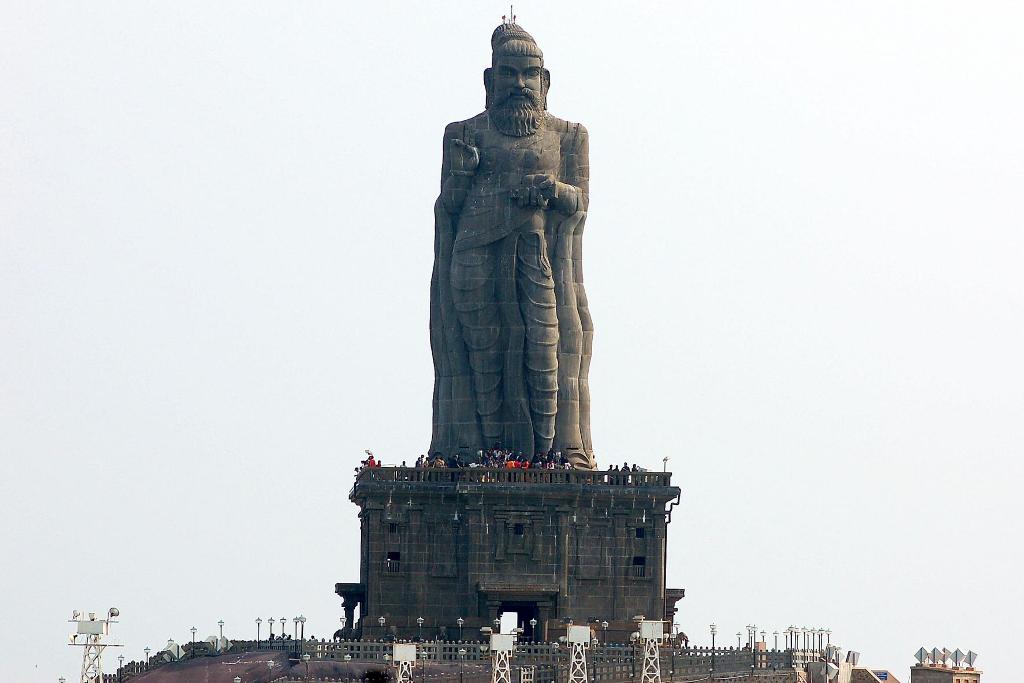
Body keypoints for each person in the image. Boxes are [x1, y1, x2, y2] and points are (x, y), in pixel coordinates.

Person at [429, 20, 596, 468]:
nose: (518, 84)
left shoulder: (568, 135)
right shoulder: (464, 133)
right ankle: (474, 449)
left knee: (547, 350)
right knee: (480, 358)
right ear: (489, 79)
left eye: (528, 75)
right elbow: (449, 206)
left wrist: (552, 190)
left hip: (536, 256)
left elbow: (580, 202)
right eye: (507, 73)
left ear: (545, 82)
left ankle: (550, 453)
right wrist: (463, 173)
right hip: (474, 256)